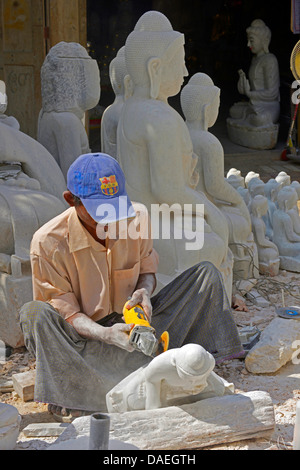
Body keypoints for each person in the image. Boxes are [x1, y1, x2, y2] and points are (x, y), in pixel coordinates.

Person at [19, 152, 244, 421]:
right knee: (35, 313)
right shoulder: (47, 242)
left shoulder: (136, 217)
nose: (110, 220)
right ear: (71, 200)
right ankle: (78, 394)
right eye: (99, 212)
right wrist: (106, 334)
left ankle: (192, 367)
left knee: (206, 275)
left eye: (114, 209)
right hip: (85, 344)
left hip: (138, 334)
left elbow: (147, 270)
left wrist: (144, 291)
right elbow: (66, 314)